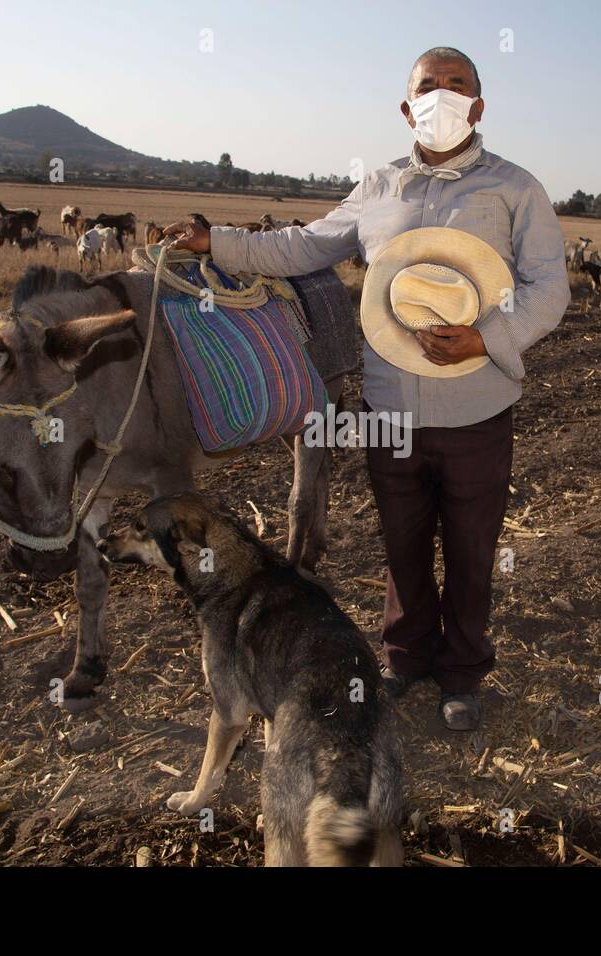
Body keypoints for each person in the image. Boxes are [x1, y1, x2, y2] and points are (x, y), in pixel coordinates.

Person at [163, 46, 570, 731]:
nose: (442, 96)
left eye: (457, 85)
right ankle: (407, 658)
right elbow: (302, 246)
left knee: (472, 551)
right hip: (390, 410)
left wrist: (487, 337)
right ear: (407, 107)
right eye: (427, 87)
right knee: (403, 544)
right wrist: (217, 243)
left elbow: (549, 289)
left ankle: (463, 673)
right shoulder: (378, 187)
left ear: (479, 104)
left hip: (478, 406)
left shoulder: (515, 188)